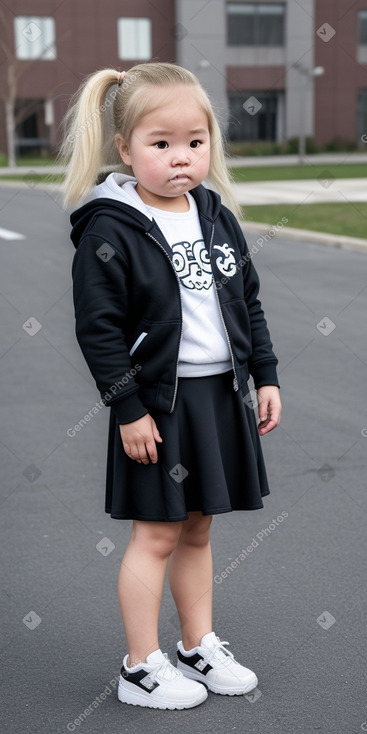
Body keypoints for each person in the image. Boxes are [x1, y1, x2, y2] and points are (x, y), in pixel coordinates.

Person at [61, 62, 282, 711]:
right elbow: (97, 331)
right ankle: (139, 665)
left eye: (195, 141)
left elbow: (247, 301)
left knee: (198, 528)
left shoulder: (214, 213)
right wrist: (128, 408)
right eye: (161, 144)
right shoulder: (110, 227)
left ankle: (195, 644)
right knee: (155, 533)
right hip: (157, 406)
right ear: (125, 148)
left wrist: (264, 374)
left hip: (218, 396)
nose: (182, 157)